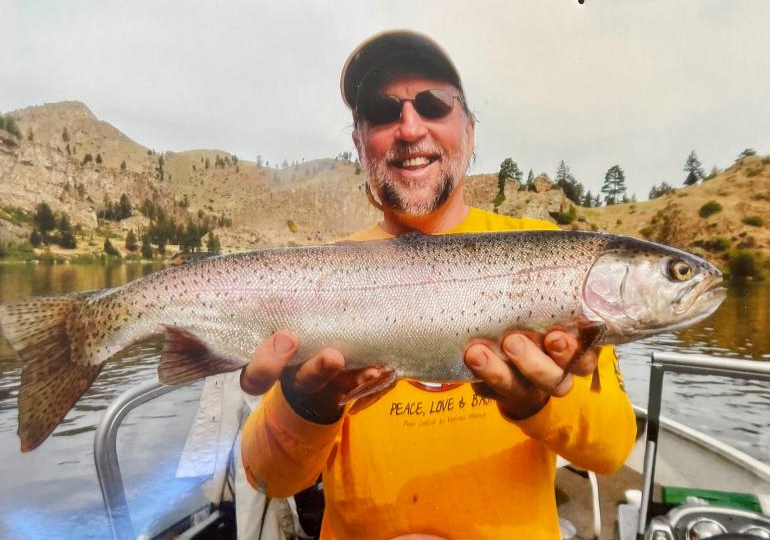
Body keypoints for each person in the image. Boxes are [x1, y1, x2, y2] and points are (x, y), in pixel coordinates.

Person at [239, 30, 636, 539]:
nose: (409, 127)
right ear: (360, 143)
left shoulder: (556, 263)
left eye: (433, 105)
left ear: (469, 133)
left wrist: (539, 403)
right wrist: (305, 405)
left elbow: (611, 449)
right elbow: (266, 477)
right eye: (383, 112)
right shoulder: (322, 279)